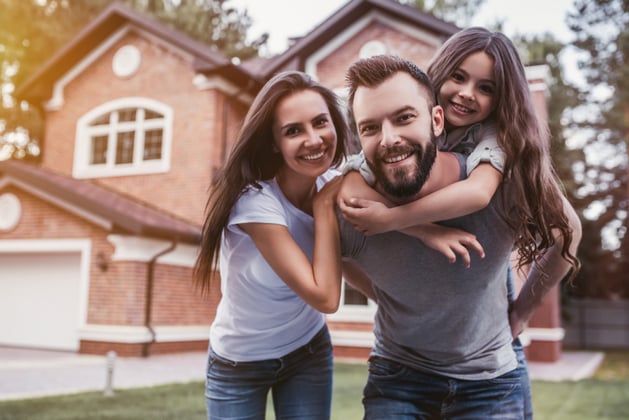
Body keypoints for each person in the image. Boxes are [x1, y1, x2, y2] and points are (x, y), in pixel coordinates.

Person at [336, 53, 581, 418]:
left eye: (404, 117)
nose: (467, 95)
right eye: (370, 127)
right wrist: (388, 293)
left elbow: (566, 229)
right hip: (399, 373)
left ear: (434, 119)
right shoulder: (357, 194)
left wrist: (524, 312)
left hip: (489, 374)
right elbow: (334, 250)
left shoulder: (500, 158)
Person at [193, 70, 353, 419]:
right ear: (273, 143)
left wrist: (429, 234)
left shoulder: (335, 183)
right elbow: (325, 296)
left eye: (320, 122)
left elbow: (359, 253)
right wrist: (324, 207)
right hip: (239, 363)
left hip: (307, 351)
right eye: (294, 131)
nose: (314, 139)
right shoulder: (254, 202)